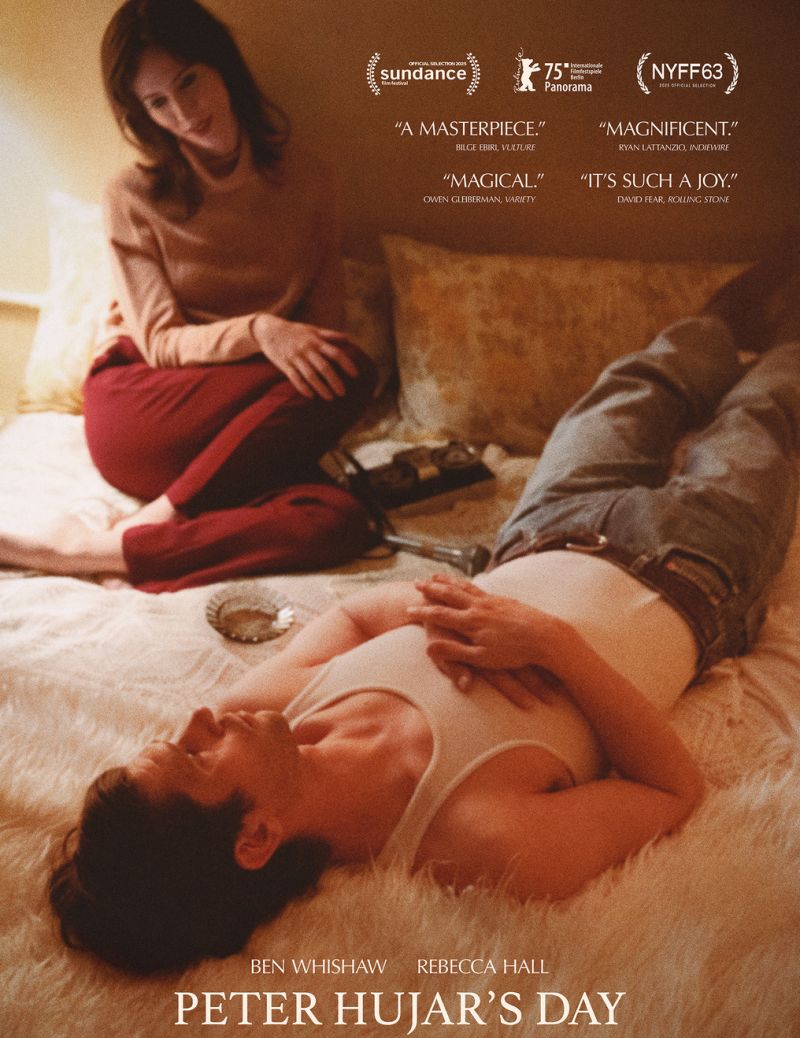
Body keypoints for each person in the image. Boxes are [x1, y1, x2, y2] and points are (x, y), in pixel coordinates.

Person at [48, 258, 800, 974]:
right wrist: (547, 642)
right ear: (256, 838)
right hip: (695, 574)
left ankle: (724, 318)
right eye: (196, 757)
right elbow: (673, 791)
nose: (199, 719)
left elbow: (353, 620)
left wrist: (452, 611)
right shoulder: (480, 841)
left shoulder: (264, 709)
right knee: (764, 410)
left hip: (543, 529)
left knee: (635, 385)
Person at [0, 0, 376, 591]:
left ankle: (90, 551)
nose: (184, 113)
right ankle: (164, 516)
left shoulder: (312, 182)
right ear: (144, 115)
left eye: (188, 81)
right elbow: (160, 342)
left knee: (341, 520)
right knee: (351, 369)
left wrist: (289, 359)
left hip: (234, 422)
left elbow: (323, 336)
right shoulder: (132, 196)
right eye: (158, 103)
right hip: (144, 406)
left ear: (221, 65)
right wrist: (260, 330)